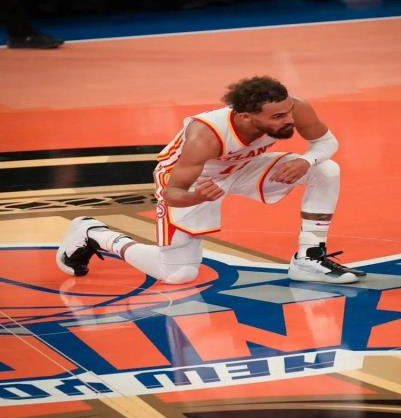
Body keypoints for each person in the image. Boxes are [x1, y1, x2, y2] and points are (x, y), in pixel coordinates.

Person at [56, 76, 366, 284]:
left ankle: (309, 258)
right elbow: (173, 192)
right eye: (278, 117)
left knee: (326, 169)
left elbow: (327, 142)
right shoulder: (205, 136)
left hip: (243, 167)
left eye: (288, 112)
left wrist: (306, 160)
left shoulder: (295, 107)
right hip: (195, 182)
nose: (289, 120)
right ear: (246, 117)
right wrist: (197, 197)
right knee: (178, 274)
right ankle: (94, 233)